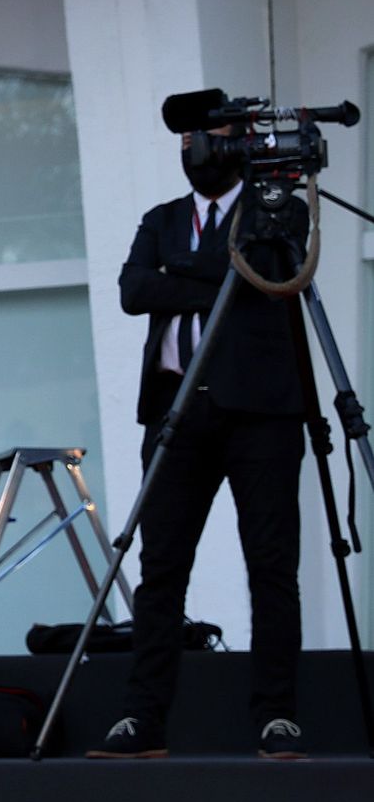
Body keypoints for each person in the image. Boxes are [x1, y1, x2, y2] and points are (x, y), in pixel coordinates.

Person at [89, 127, 308, 760]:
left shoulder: (275, 213)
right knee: (161, 570)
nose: (195, 151)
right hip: (174, 415)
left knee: (271, 566)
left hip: (259, 414)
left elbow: (257, 278)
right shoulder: (160, 219)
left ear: (236, 147)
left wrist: (177, 275)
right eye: (186, 139)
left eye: (208, 138)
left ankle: (276, 716)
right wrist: (211, 283)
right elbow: (134, 291)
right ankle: (142, 718)